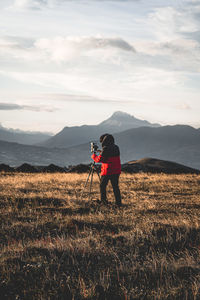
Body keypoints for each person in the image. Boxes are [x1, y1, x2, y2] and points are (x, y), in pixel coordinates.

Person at [91, 134, 122, 207]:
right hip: (116, 170)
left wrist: (94, 156)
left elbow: (100, 159)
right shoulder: (116, 147)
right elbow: (108, 155)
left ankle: (103, 202)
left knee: (102, 186)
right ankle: (118, 203)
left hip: (107, 171)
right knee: (115, 187)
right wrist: (101, 152)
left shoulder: (105, 149)